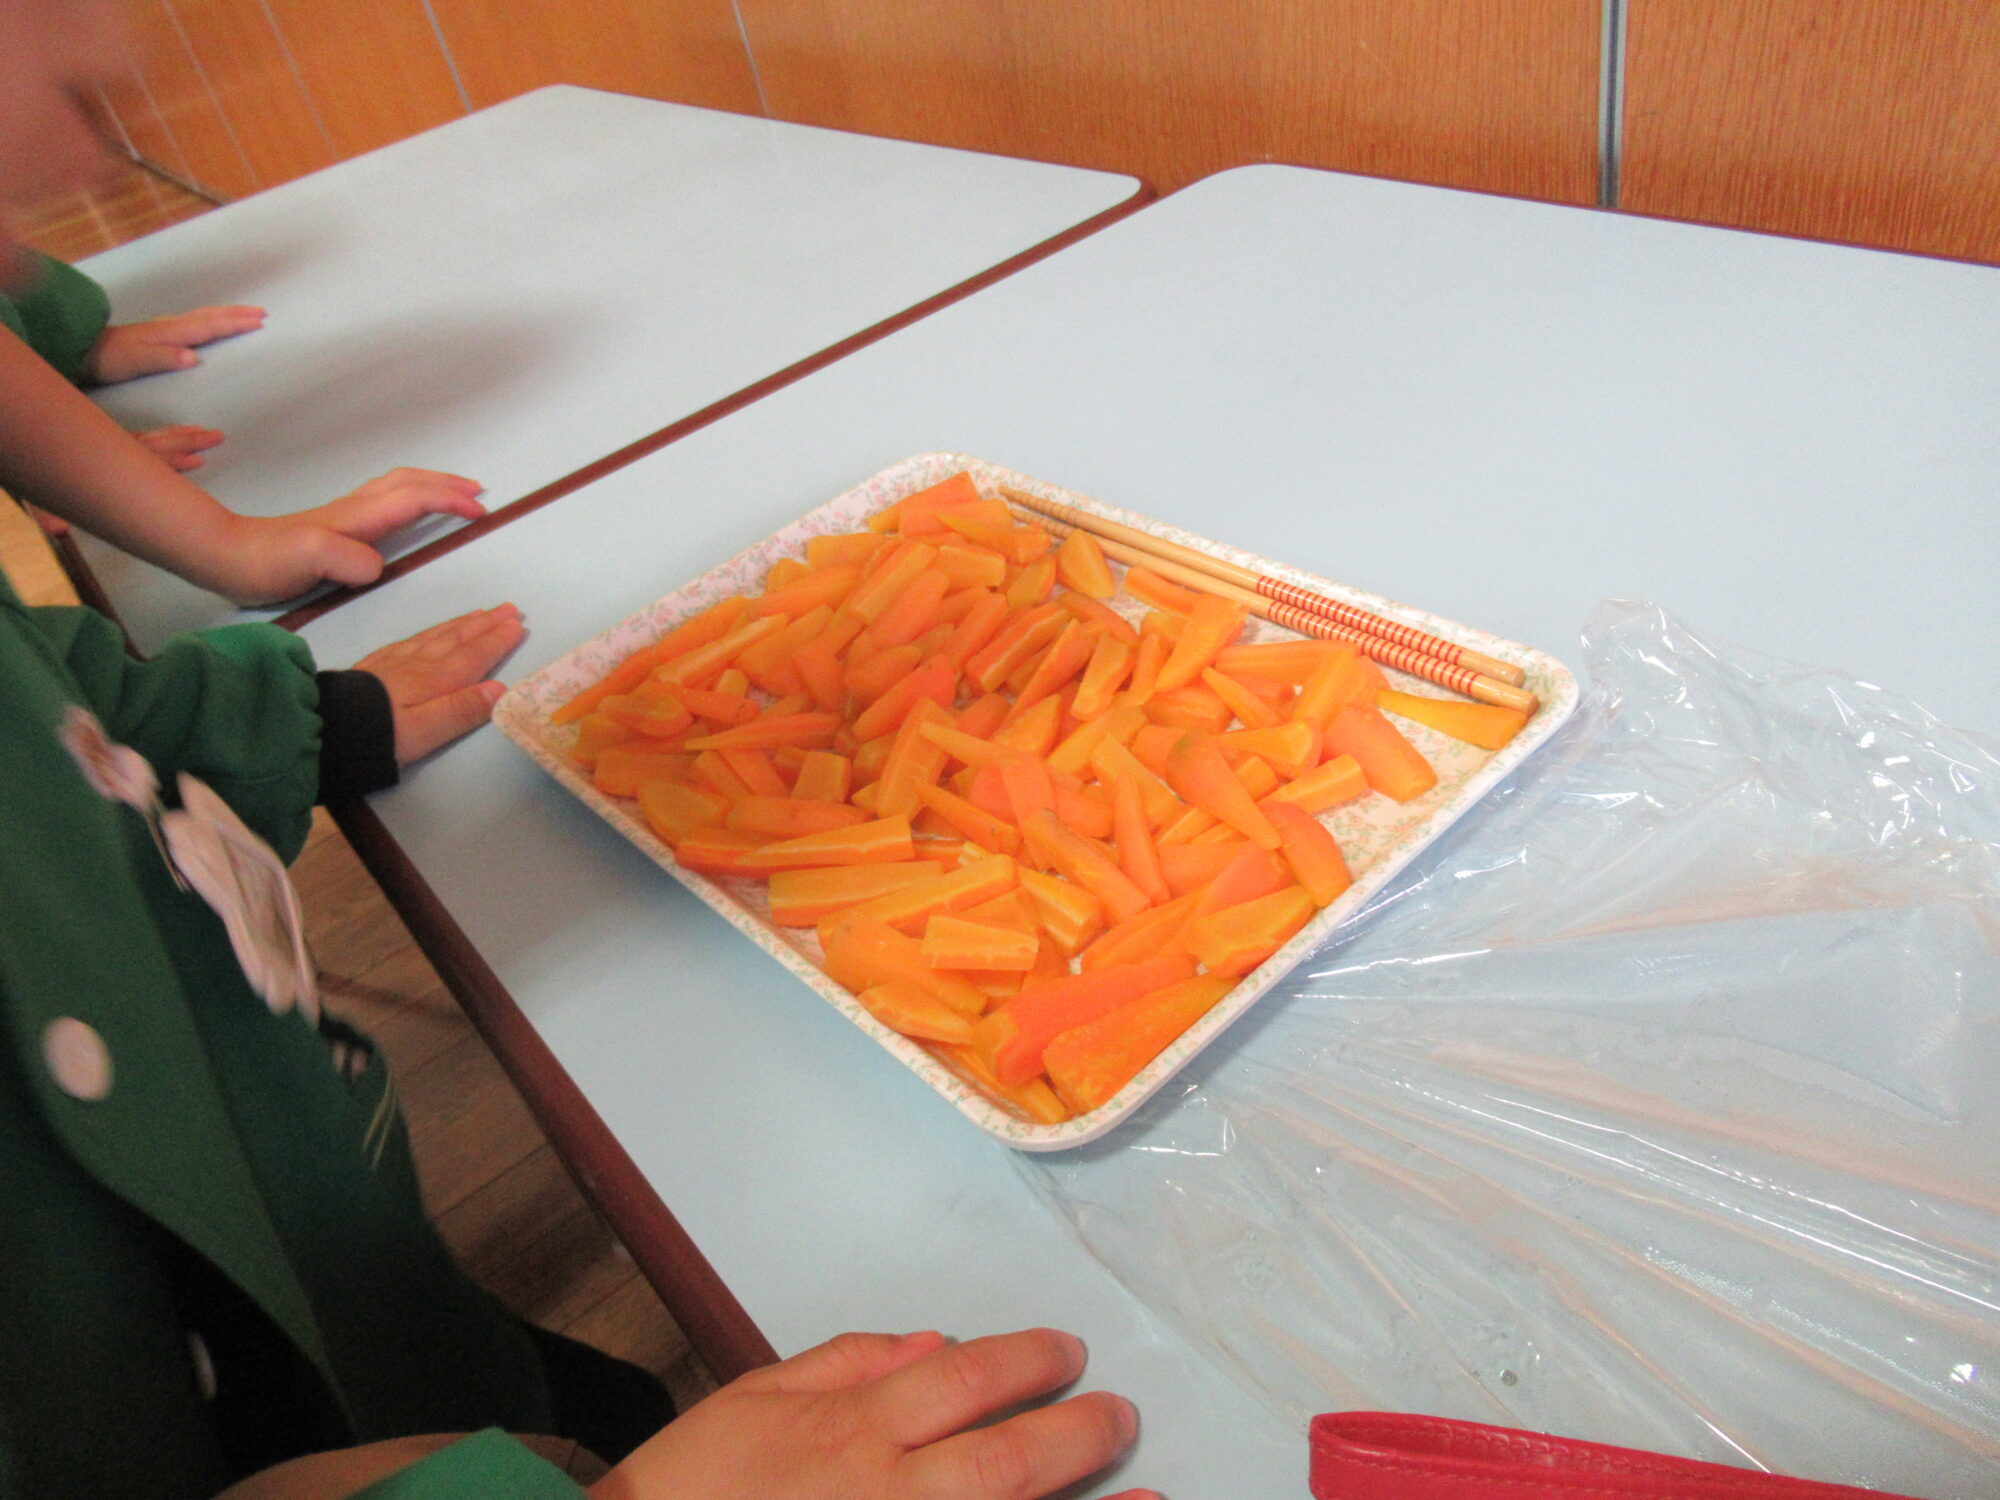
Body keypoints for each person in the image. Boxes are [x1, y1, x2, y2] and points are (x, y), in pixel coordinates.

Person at [0, 3, 1152, 1498]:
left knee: (543, 1398)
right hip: (209, 1412)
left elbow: (51, 721)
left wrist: (268, 717)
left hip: (334, 1289)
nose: (108, 78)